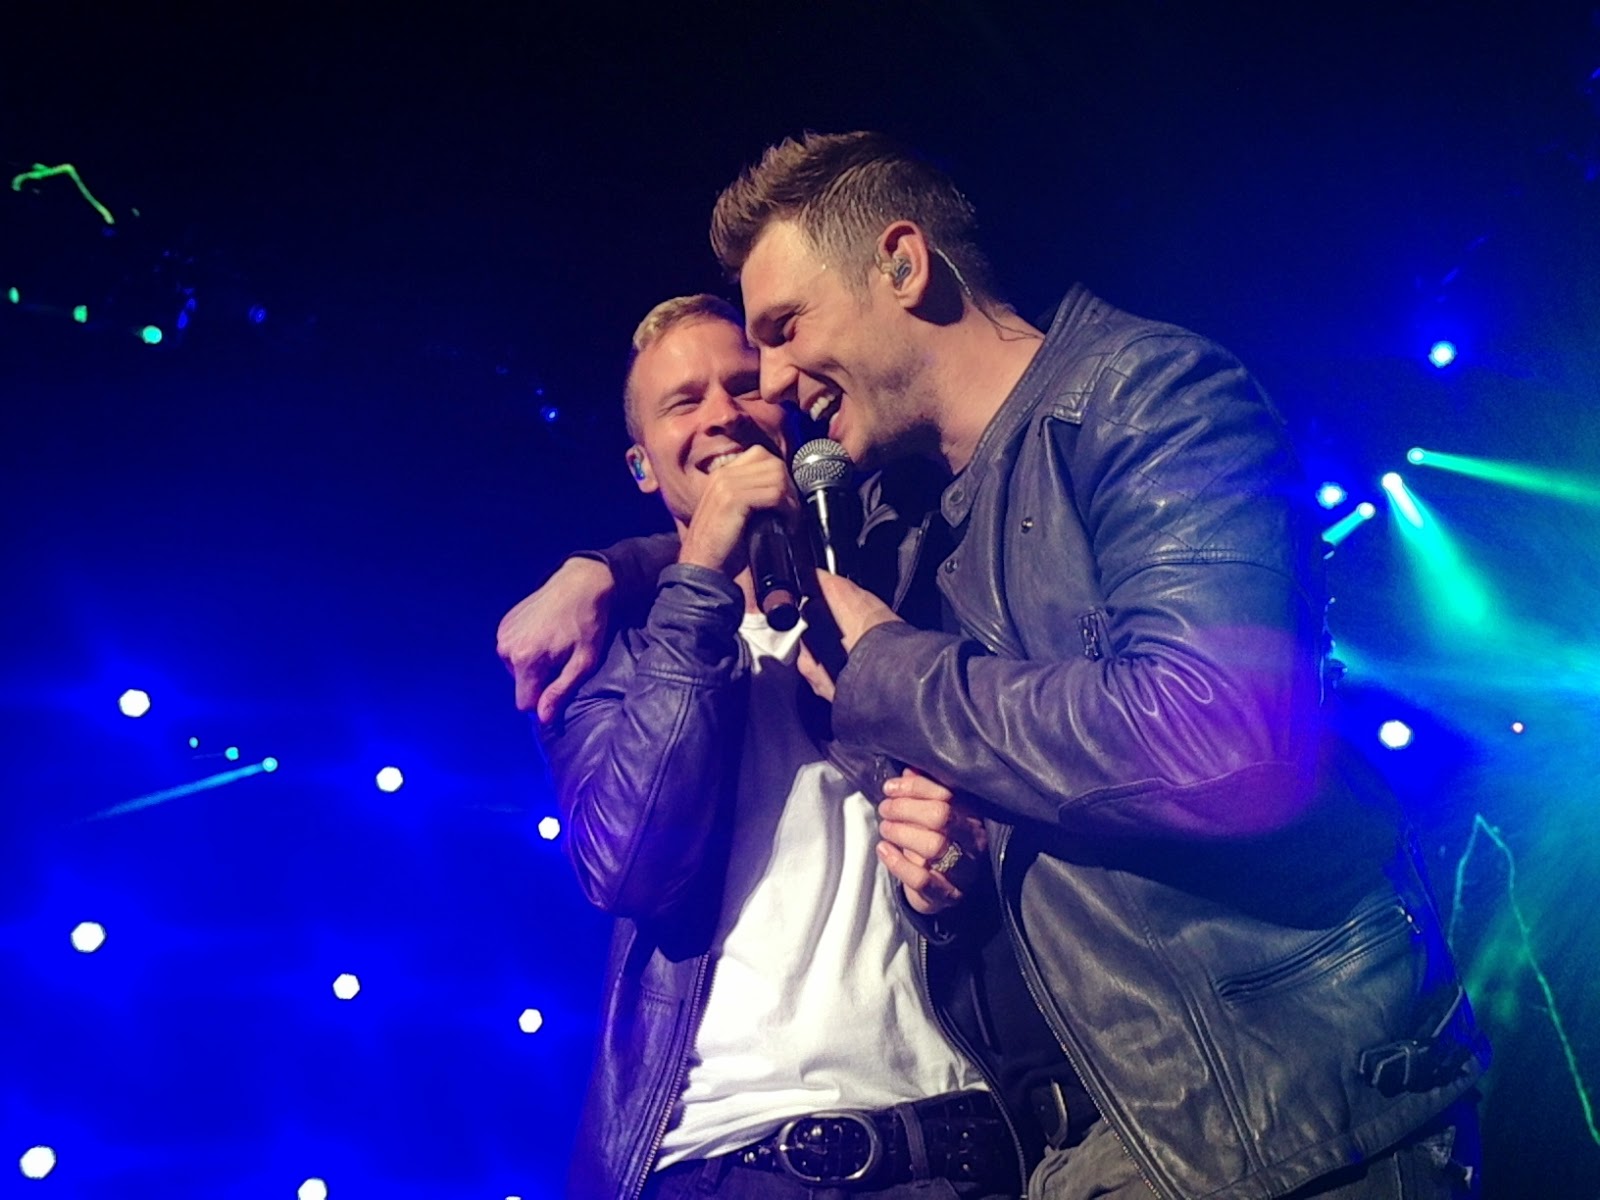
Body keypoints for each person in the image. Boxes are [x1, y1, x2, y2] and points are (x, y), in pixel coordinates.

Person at [500, 134, 1488, 1199]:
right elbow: (634, 853)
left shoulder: (1128, 405)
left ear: (903, 264)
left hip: (1259, 1118)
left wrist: (890, 681)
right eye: (692, 398)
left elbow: (1219, 733)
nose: (766, 389)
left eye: (778, 337)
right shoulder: (868, 538)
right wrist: (617, 565)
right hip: (1058, 1145)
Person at [536, 293, 1023, 1200]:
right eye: (684, 402)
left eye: (744, 386)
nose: (723, 413)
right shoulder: (603, 660)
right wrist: (692, 576)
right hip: (726, 1160)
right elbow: (629, 866)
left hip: (953, 1144)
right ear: (642, 464)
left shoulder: (898, 589)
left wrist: (967, 852)